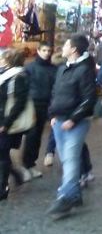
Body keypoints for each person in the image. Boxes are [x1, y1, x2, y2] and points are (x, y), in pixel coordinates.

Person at [46, 33, 97, 219]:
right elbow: (55, 93)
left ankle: (66, 197)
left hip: (76, 122)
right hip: (59, 121)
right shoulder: (63, 69)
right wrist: (52, 114)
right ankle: (74, 194)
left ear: (74, 49)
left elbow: (89, 99)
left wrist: (73, 119)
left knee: (71, 158)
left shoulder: (85, 70)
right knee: (66, 158)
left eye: (66, 45)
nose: (63, 48)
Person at [0, 47, 31, 201]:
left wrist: (6, 123)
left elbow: (19, 103)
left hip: (7, 122)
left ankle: (3, 186)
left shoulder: (18, 77)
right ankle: (15, 174)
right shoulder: (4, 75)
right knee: (2, 153)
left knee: (2, 153)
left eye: (3, 58)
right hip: (3, 119)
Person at [22, 42, 55, 181]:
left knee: (36, 136)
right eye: (44, 50)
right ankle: (26, 166)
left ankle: (30, 165)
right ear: (38, 51)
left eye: (49, 50)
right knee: (32, 135)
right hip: (31, 105)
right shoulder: (30, 68)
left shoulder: (53, 69)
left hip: (46, 105)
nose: (47, 53)